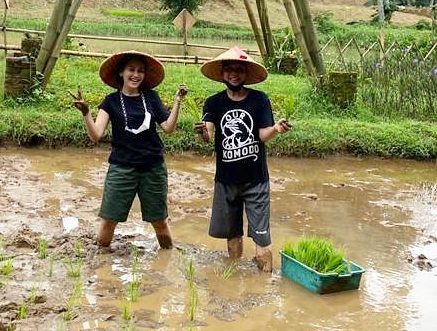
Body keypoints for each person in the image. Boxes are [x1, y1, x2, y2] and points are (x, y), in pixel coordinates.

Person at [70, 50, 186, 250]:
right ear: (121, 73)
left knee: (160, 222)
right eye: (131, 69)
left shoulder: (150, 97)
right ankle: (100, 261)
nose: (136, 75)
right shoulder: (111, 101)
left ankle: (168, 256)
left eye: (140, 71)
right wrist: (86, 113)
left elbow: (168, 127)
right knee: (108, 221)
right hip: (121, 168)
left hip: (153, 168)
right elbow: (96, 135)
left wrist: (177, 102)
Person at [194, 47, 290, 272]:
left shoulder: (259, 100)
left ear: (246, 74)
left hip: (256, 180)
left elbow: (263, 135)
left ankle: (263, 282)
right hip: (226, 180)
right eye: (229, 69)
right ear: (222, 73)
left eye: (239, 69)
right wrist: (202, 132)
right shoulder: (214, 103)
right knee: (232, 233)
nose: (234, 74)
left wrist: (276, 129)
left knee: (262, 238)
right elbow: (208, 136)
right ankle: (234, 275)